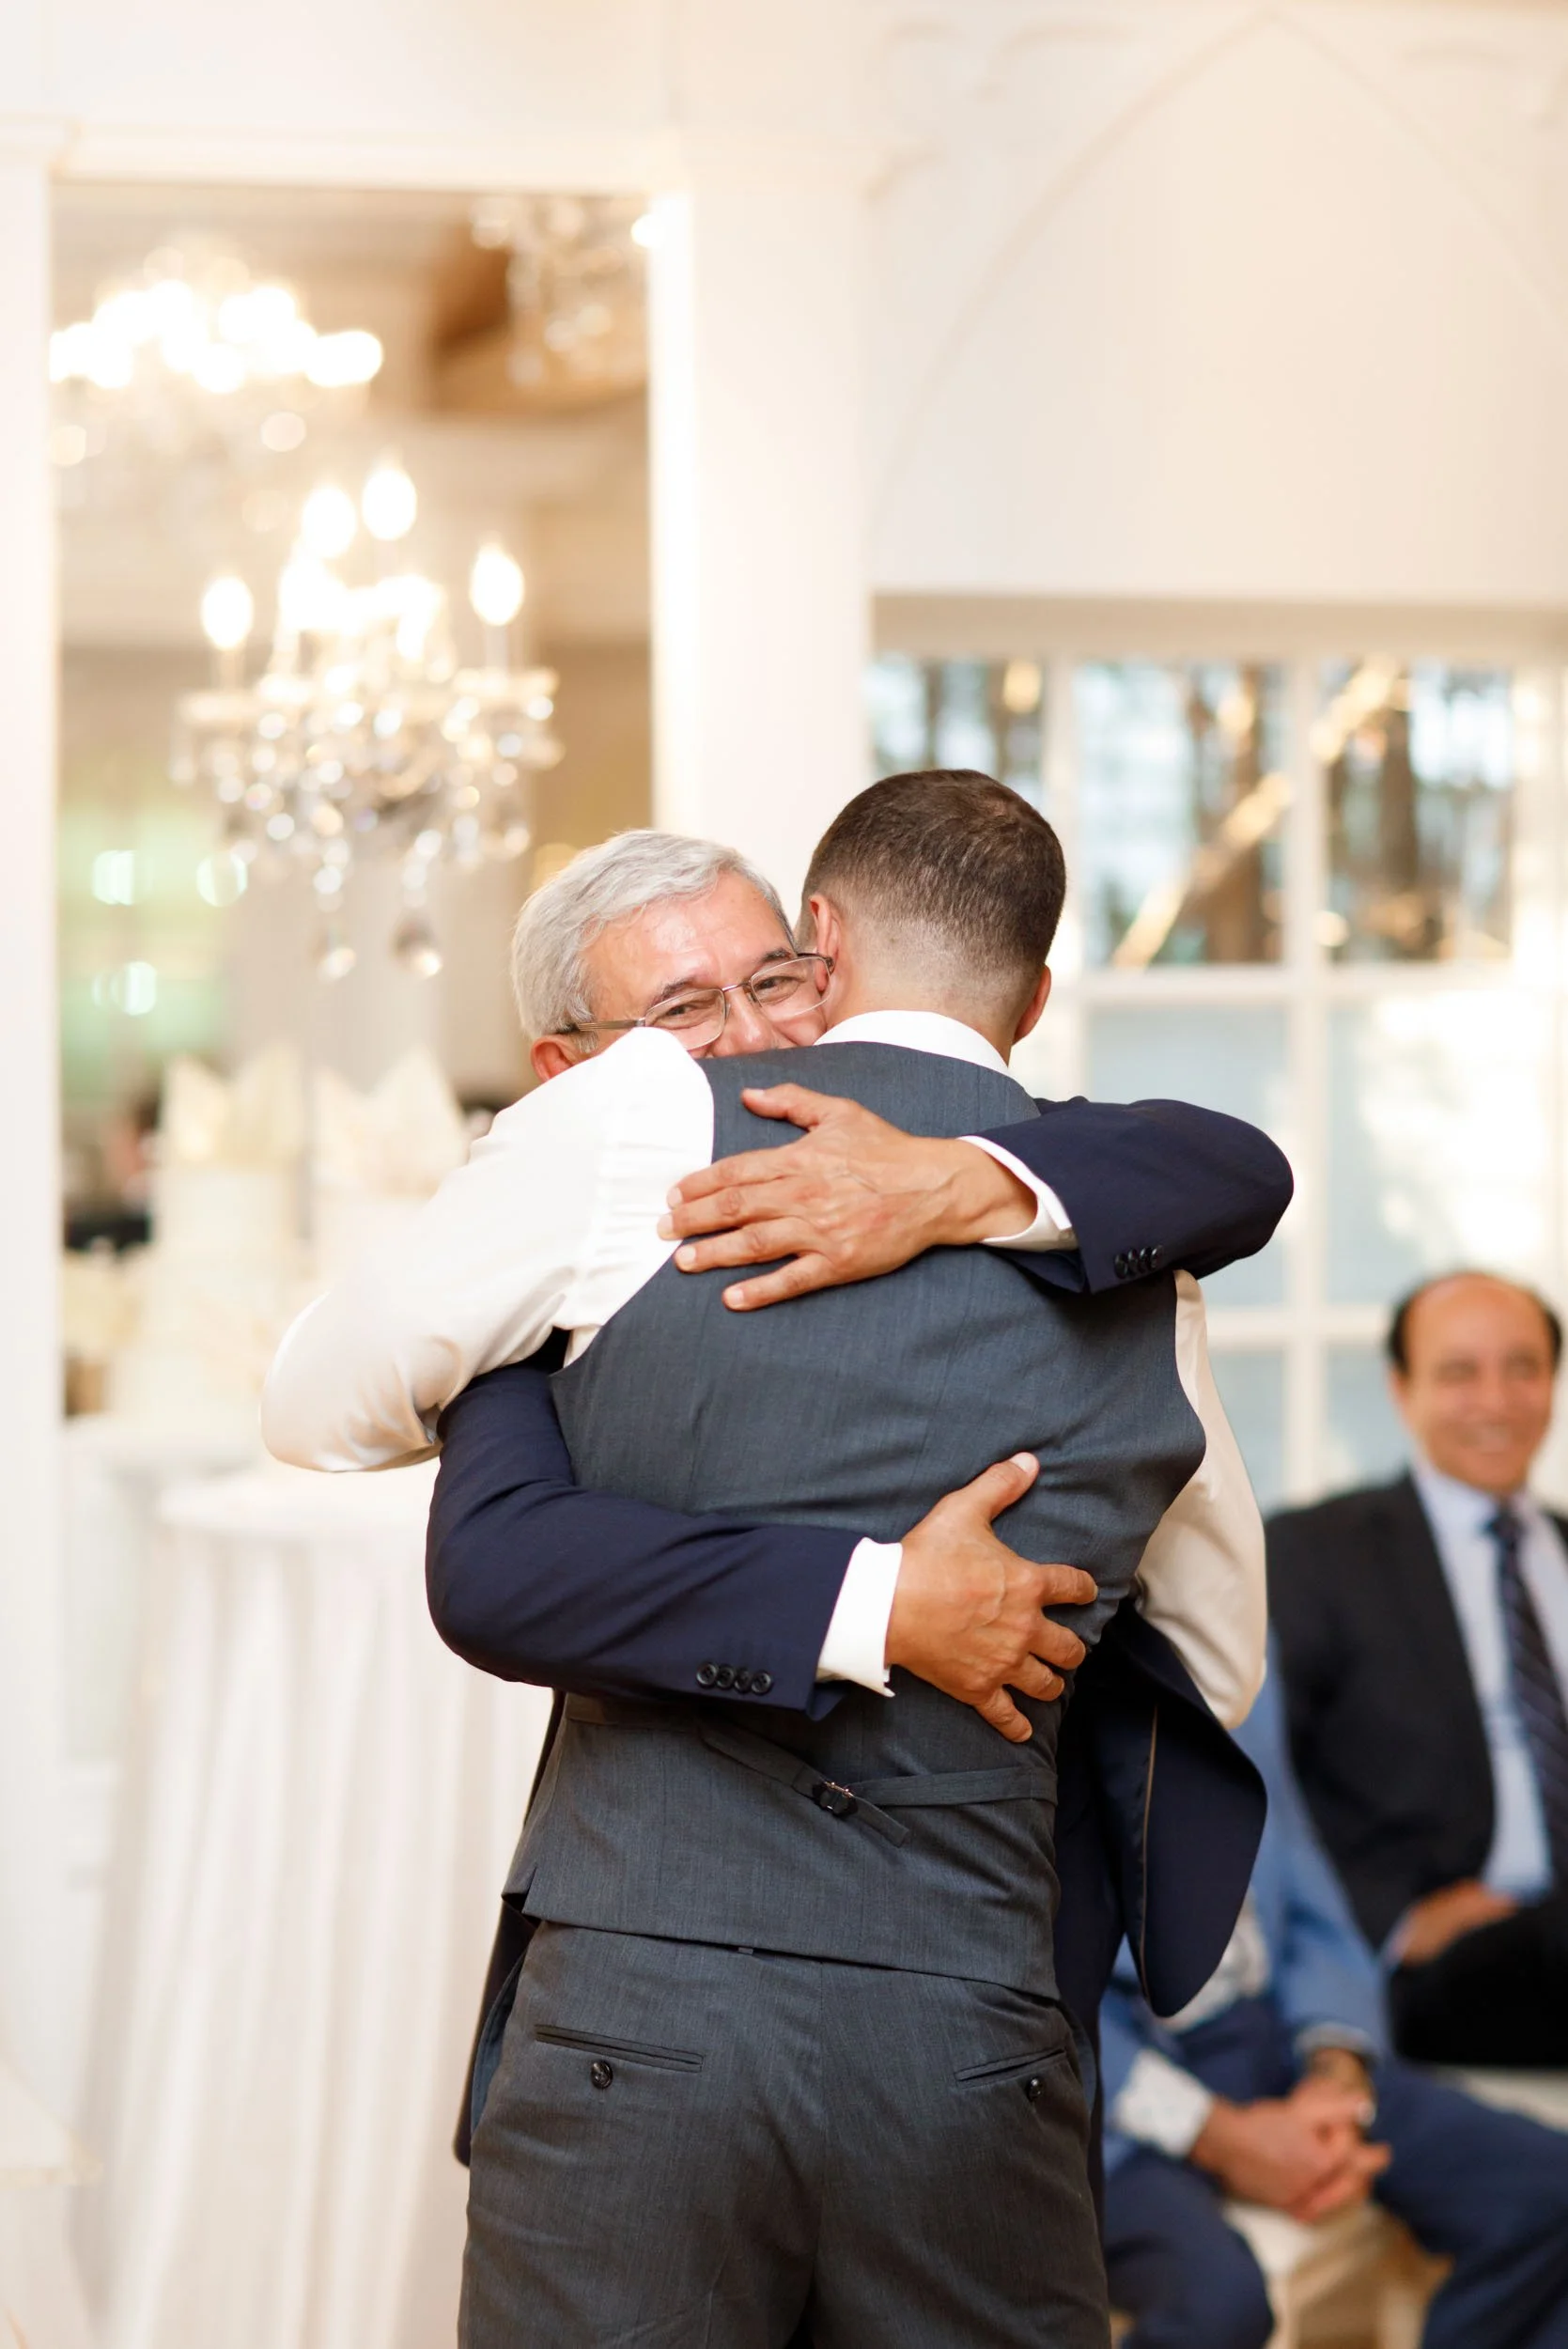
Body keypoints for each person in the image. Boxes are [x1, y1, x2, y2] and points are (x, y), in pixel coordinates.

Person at [265, 773, 1271, 2345]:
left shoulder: (633, 1142)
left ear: (821, 940)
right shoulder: (1126, 1253)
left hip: (642, 2018)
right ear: (1039, 985)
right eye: (685, 1005)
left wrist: (522, 1344)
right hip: (968, 2018)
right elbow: (1211, 1656)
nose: (738, 1038)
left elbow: (315, 1398)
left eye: (767, 985)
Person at [1099, 1657, 1568, 2349]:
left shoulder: (1235, 1630)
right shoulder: (1022, 1662)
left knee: (1547, 2190)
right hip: (1107, 2088)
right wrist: (1222, 2136)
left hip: (1273, 2033)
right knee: (1218, 2307)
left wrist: (1335, 2073)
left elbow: (1305, 1881)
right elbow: (1025, 1990)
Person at [1268, 1269, 1568, 2067]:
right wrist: (1392, 1919)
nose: (1496, 1401)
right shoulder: (1316, 1555)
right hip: (1442, 1958)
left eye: (1522, 1368)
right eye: (1458, 1373)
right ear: (1401, 1390)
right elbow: (1255, 1778)